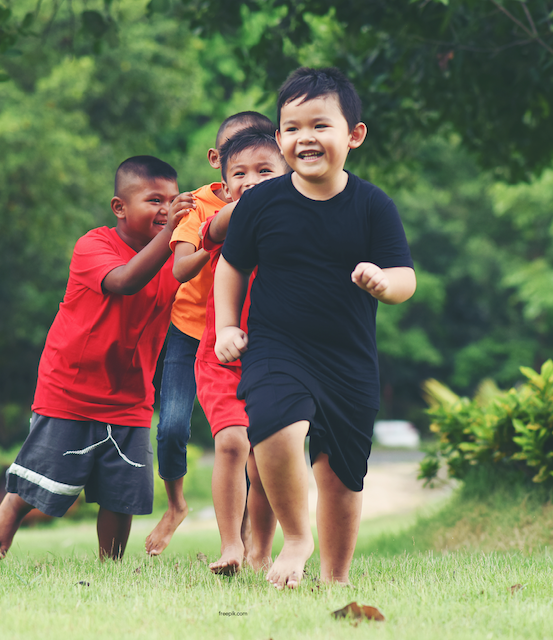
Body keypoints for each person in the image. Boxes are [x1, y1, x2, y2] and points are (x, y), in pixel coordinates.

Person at [214, 67, 416, 589]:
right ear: (280, 139)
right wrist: (226, 327)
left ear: (353, 134)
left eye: (320, 125)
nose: (305, 137)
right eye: (292, 127)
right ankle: (297, 537)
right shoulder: (260, 202)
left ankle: (337, 578)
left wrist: (382, 282)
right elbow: (230, 266)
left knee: (342, 476)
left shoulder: (373, 205)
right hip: (277, 346)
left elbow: (405, 277)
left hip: (349, 357)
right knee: (275, 425)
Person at [0, 156, 195, 561]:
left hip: (132, 391)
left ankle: (110, 565)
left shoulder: (176, 259)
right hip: (71, 385)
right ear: (119, 208)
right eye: (154, 200)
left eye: (172, 200)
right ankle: (13, 506)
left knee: (124, 487)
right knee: (52, 475)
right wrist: (171, 232)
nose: (166, 209)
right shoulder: (93, 245)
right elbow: (125, 281)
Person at [145, 111, 275, 557]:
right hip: (191, 331)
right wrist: (218, 236)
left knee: (250, 440)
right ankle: (177, 505)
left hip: (250, 332)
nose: (251, 173)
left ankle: (246, 535)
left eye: (263, 163)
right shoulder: (199, 206)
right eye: (238, 163)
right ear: (218, 161)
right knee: (173, 427)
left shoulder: (280, 201)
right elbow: (180, 268)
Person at [195, 125, 290, 575]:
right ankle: (231, 545)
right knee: (232, 443)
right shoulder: (226, 217)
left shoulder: (297, 224)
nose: (250, 180)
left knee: (266, 455)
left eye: (264, 171)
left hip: (274, 358)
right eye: (240, 173)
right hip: (222, 357)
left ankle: (262, 549)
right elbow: (213, 227)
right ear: (226, 182)